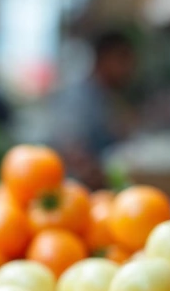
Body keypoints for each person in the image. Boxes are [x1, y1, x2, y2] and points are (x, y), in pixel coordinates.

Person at [48, 30, 139, 188]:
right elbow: (70, 147)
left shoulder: (107, 97)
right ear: (103, 58)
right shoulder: (78, 97)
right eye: (123, 60)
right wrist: (98, 174)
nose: (129, 69)